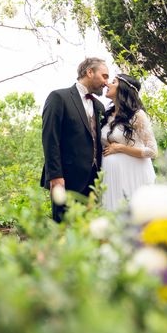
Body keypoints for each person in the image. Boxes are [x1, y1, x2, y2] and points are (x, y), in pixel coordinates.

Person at [41, 57, 109, 222]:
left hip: (94, 182)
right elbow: (50, 139)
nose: (106, 82)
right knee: (64, 230)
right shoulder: (59, 97)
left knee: (88, 232)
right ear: (90, 72)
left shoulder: (99, 106)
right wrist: (55, 176)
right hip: (66, 180)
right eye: (104, 76)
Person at [100, 74, 157, 211]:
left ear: (123, 88)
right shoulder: (106, 114)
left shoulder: (137, 115)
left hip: (133, 174)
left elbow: (152, 151)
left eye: (113, 82)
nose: (107, 84)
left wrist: (120, 148)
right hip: (111, 176)